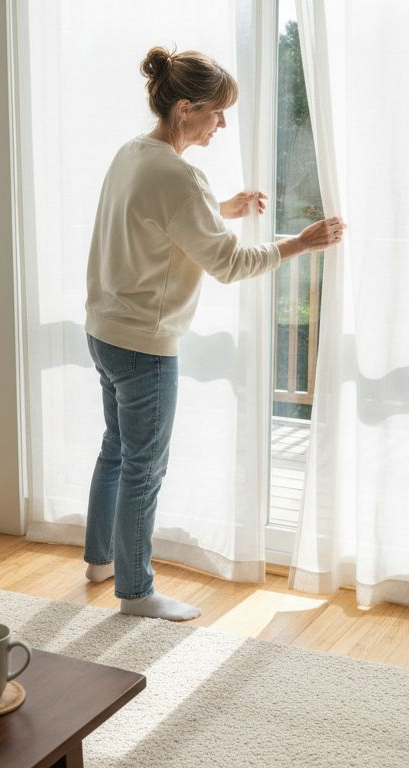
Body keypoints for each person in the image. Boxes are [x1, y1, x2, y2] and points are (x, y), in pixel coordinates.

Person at [83, 46, 346, 621]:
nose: (221, 123)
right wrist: (301, 244)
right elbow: (229, 264)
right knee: (144, 468)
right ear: (185, 109)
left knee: (116, 449)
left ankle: (100, 561)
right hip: (144, 345)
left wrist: (221, 207)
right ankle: (135, 593)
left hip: (104, 330)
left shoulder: (133, 153)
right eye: (216, 111)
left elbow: (155, 217)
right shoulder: (181, 176)